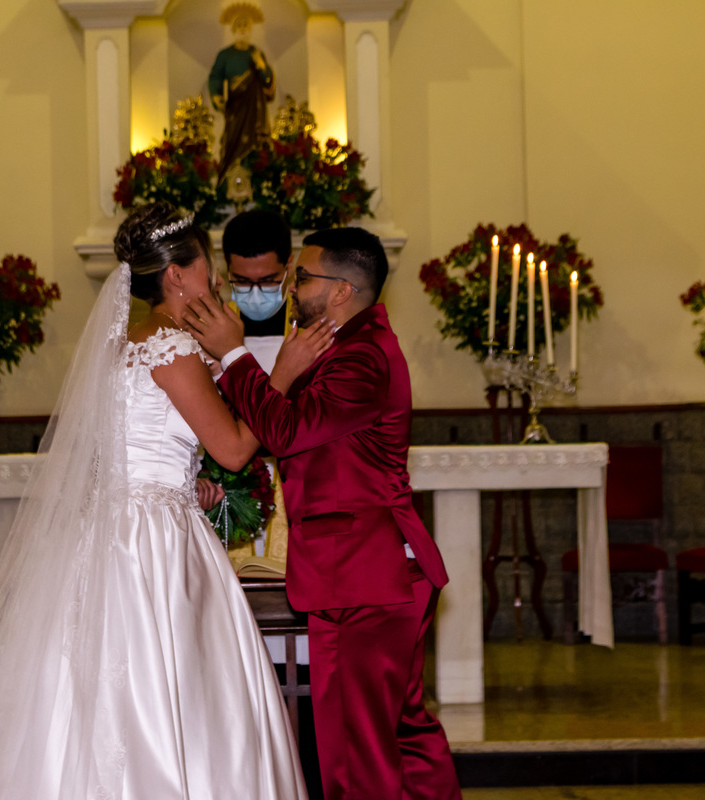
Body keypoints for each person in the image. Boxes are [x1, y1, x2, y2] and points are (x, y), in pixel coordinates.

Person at [0, 203, 332, 800]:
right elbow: (232, 450)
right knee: (169, 687)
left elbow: (122, 453)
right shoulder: (171, 345)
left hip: (120, 525)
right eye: (206, 264)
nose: (216, 279)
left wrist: (184, 482)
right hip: (154, 543)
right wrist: (281, 372)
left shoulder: (128, 340)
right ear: (178, 275)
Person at [185, 229, 463, 799]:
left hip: (362, 576)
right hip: (375, 573)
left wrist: (237, 354)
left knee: (354, 751)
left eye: (303, 277)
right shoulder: (346, 347)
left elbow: (285, 433)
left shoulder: (361, 357)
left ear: (341, 291)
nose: (292, 286)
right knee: (403, 734)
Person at [209, 3, 275, 182]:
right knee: (232, 141)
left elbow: (267, 80)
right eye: (239, 26)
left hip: (255, 109)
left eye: (246, 26)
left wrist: (261, 66)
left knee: (255, 143)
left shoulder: (256, 53)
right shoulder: (225, 55)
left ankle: (256, 179)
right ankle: (228, 178)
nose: (243, 29)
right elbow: (215, 77)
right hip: (235, 107)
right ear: (233, 29)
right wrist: (217, 96)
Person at [223, 209, 292, 373]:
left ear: (289, 266)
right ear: (228, 269)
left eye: (267, 281)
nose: (255, 294)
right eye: (242, 281)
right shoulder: (216, 325)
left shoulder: (309, 326)